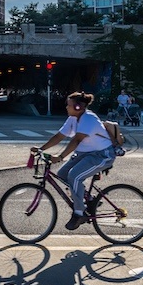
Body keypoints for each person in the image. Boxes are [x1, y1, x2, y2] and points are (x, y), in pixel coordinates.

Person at [35, 92, 116, 231]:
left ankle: (79, 213)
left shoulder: (88, 119)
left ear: (78, 107)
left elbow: (77, 140)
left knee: (74, 176)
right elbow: (59, 136)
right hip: (85, 153)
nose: (66, 107)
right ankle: (89, 200)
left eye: (69, 105)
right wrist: (40, 149)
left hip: (102, 154)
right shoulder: (73, 119)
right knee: (62, 174)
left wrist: (60, 157)